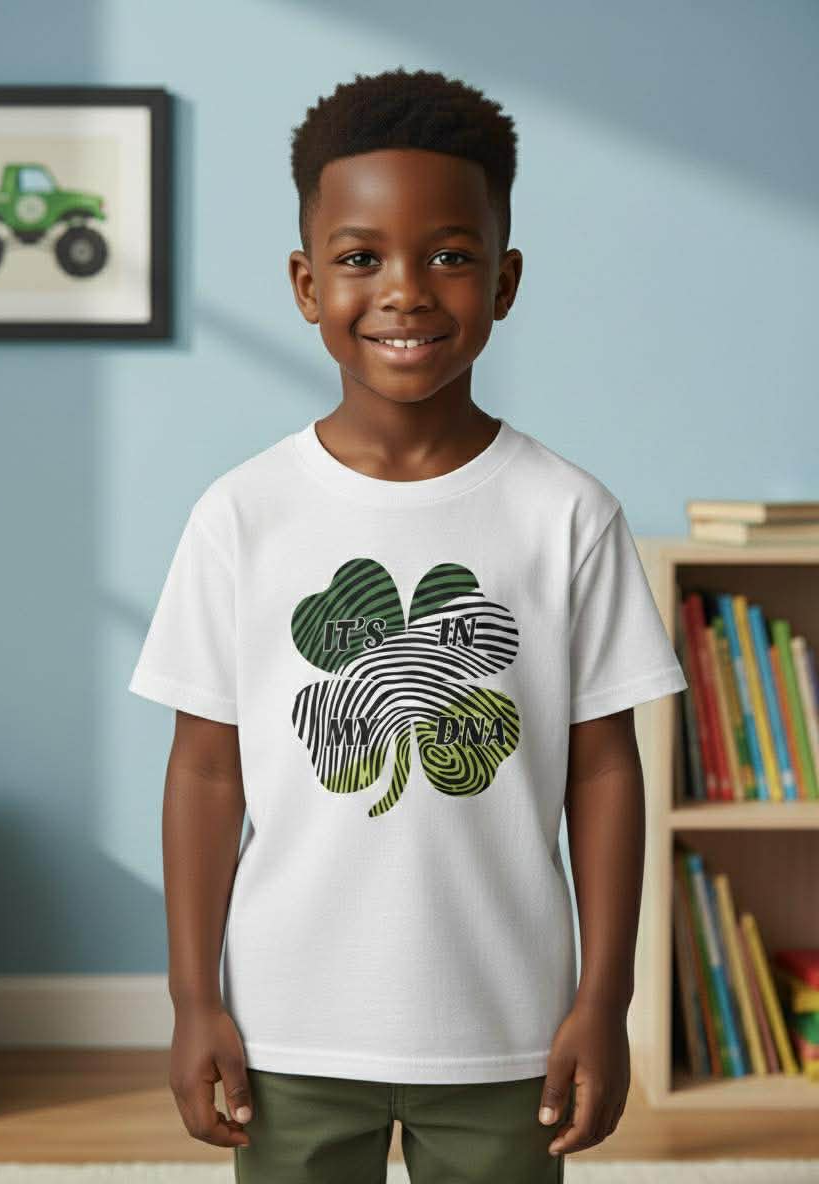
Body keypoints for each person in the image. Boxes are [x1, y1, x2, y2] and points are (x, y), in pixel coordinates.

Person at [129, 66, 688, 1183]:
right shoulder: (242, 514)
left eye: (449, 253)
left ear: (505, 277)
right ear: (304, 282)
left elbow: (605, 772)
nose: (405, 290)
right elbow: (204, 774)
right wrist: (195, 998)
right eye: (359, 257)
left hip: (506, 1025)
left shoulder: (568, 514)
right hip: (286, 1028)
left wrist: (605, 996)